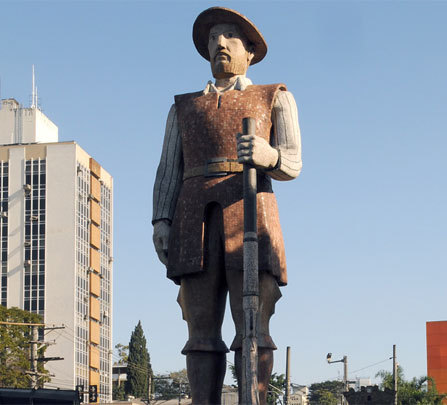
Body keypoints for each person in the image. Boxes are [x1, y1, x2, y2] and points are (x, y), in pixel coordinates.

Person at [152, 7, 302, 404]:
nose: (219, 43)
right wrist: (161, 219)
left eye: (229, 37)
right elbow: (169, 168)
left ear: (250, 51)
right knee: (199, 331)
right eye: (213, 38)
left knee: (254, 327)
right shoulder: (183, 107)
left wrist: (268, 155)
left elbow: (294, 161)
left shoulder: (274, 97)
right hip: (192, 216)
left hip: (250, 209)